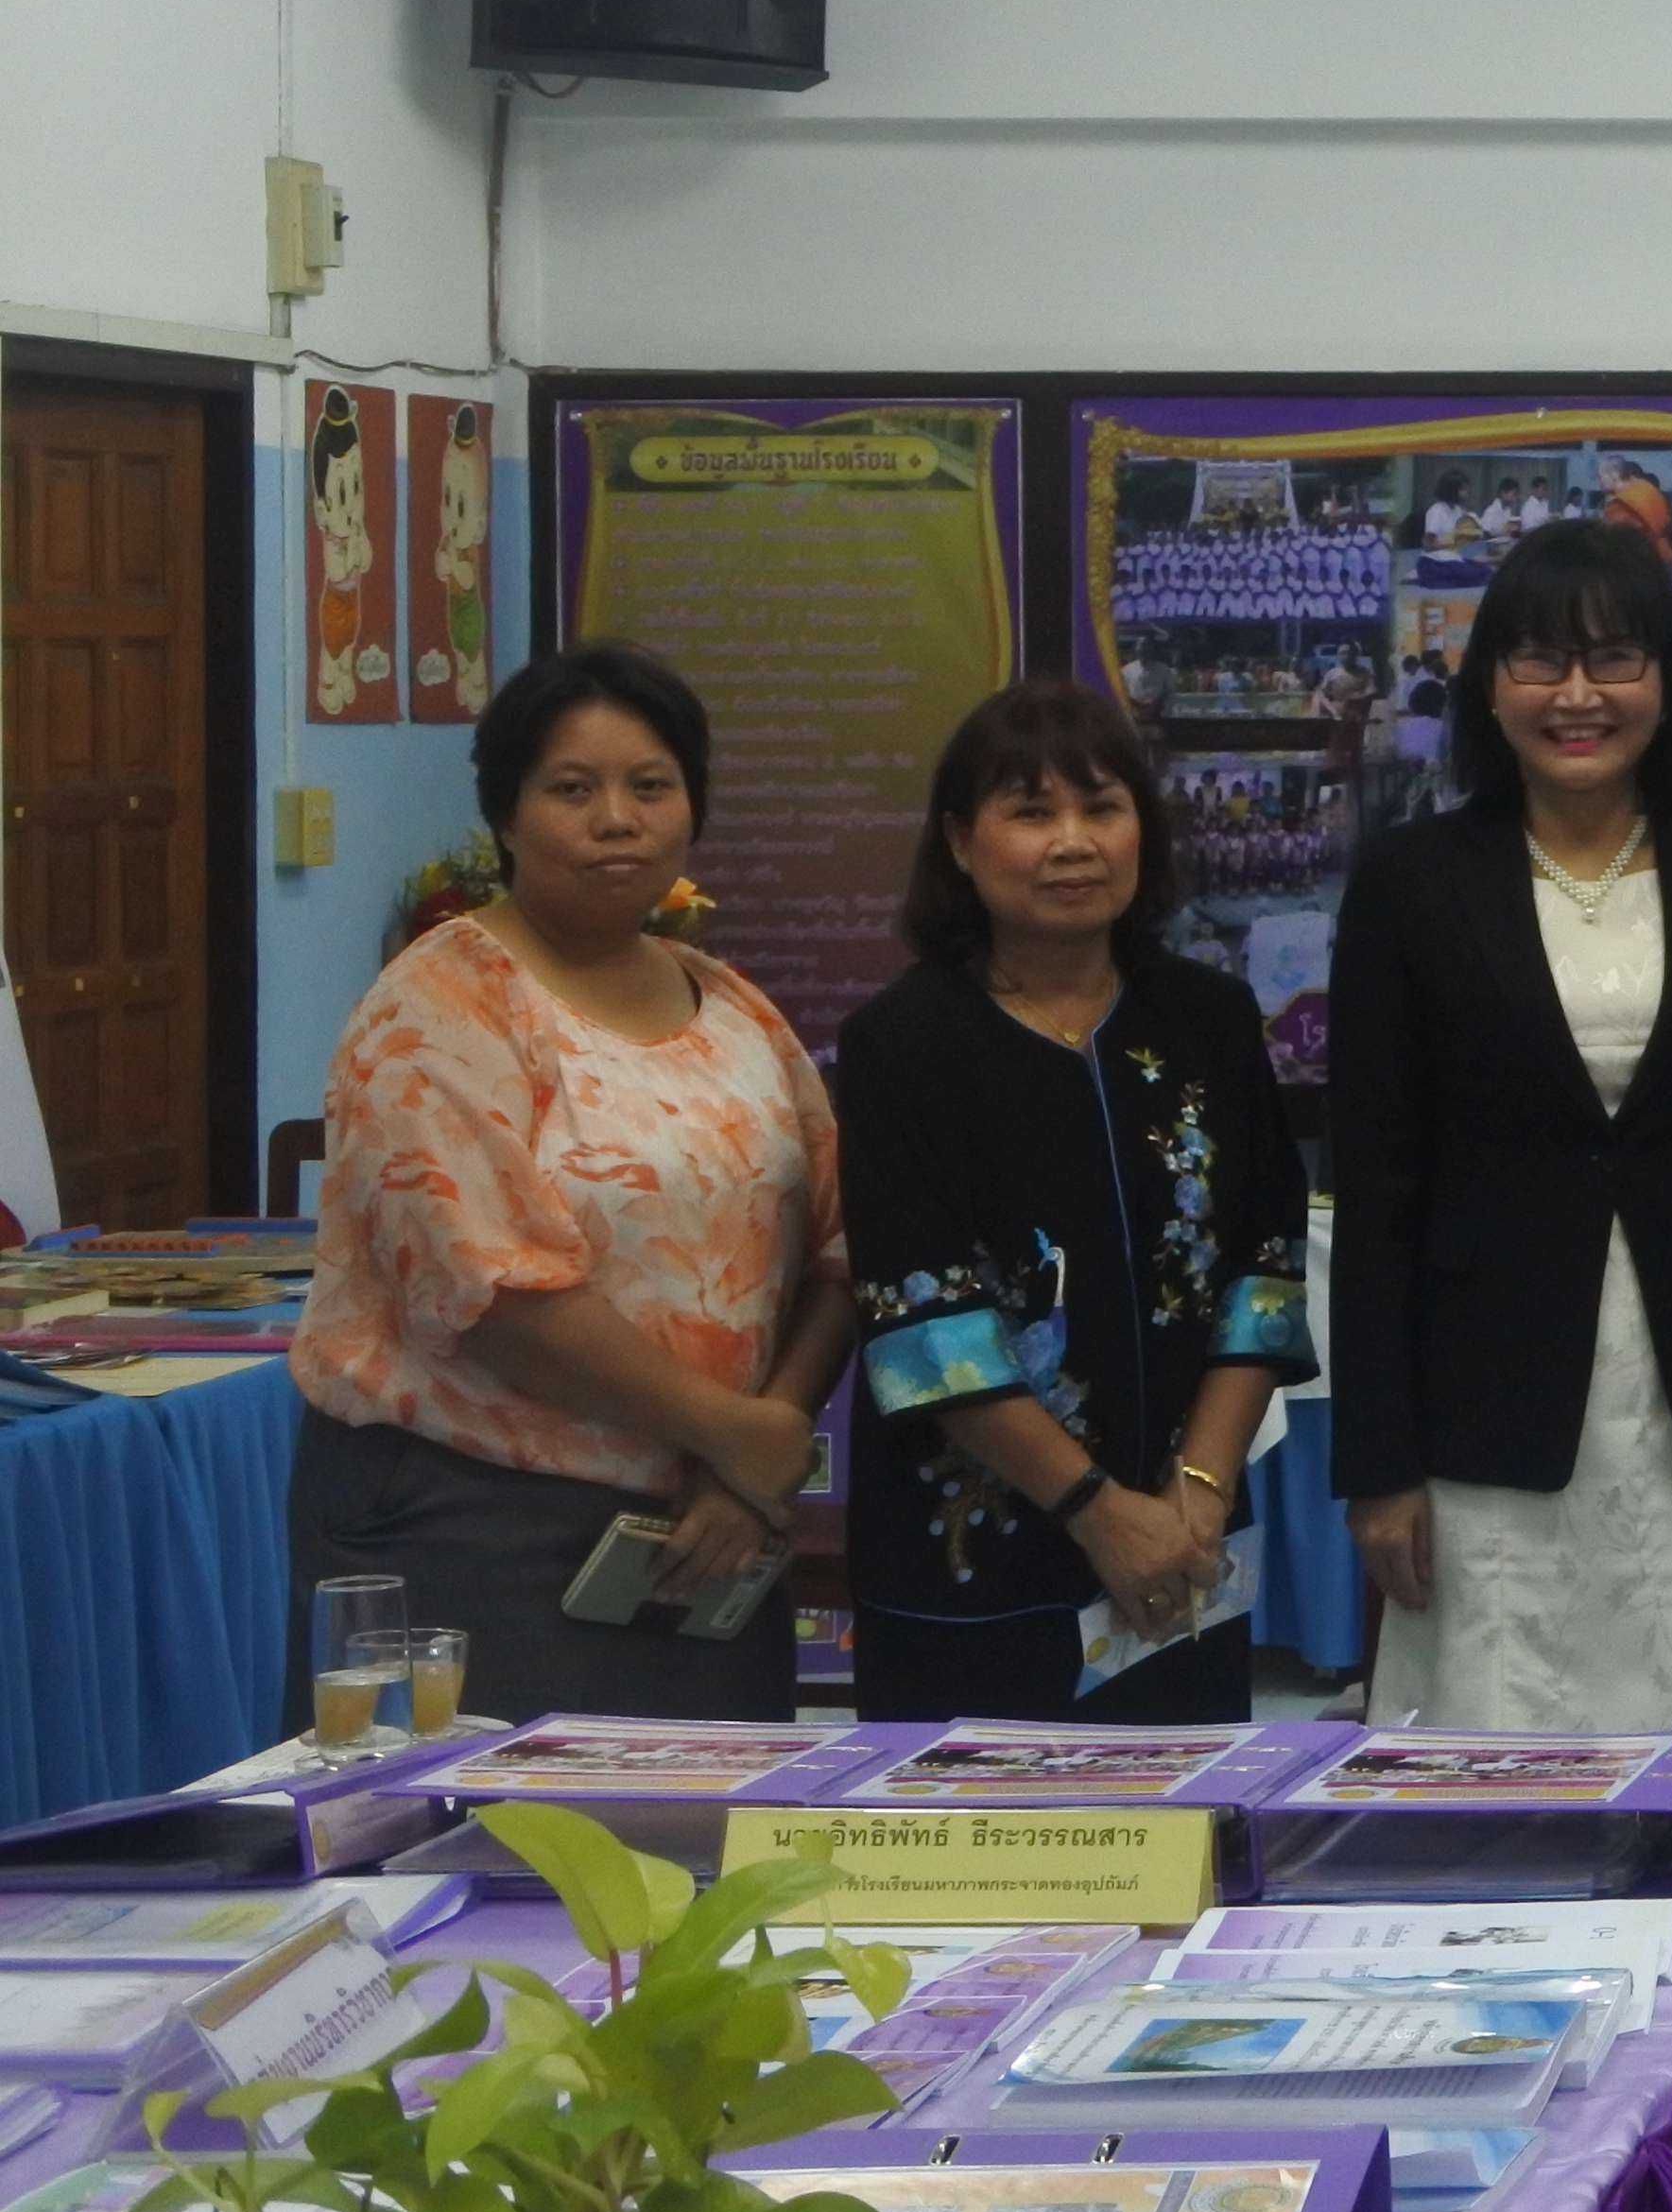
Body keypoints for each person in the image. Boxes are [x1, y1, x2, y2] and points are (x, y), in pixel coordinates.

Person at [1332, 520, 1672, 1729]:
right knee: (1502, 1742)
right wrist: (1377, 1464)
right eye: (1539, 661)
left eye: (1615, 658)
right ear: (1490, 687)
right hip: (1488, 1412)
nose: (1578, 695)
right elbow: (1378, 1189)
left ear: (1667, 681)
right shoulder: (1411, 884)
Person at [287, 645, 842, 1725]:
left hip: (715, 1520)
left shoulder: (731, 1006)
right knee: (502, 1824)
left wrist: (757, 1444)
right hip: (477, 1524)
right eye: (573, 789)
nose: (617, 821)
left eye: (651, 786)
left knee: (710, 1822)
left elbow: (836, 1247)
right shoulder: (438, 1006)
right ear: (505, 814)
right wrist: (734, 1433)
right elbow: (494, 1295)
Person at [837, 682, 1314, 1725]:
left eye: (1102, 807)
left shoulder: (1209, 1019)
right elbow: (924, 1328)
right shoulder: (902, 1044)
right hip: (972, 1566)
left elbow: (1265, 1272)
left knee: (1179, 1818)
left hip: (1184, 1555)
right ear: (960, 842)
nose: (1073, 842)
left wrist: (1197, 1493)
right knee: (976, 1825)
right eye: (1030, 811)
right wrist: (1100, 1512)